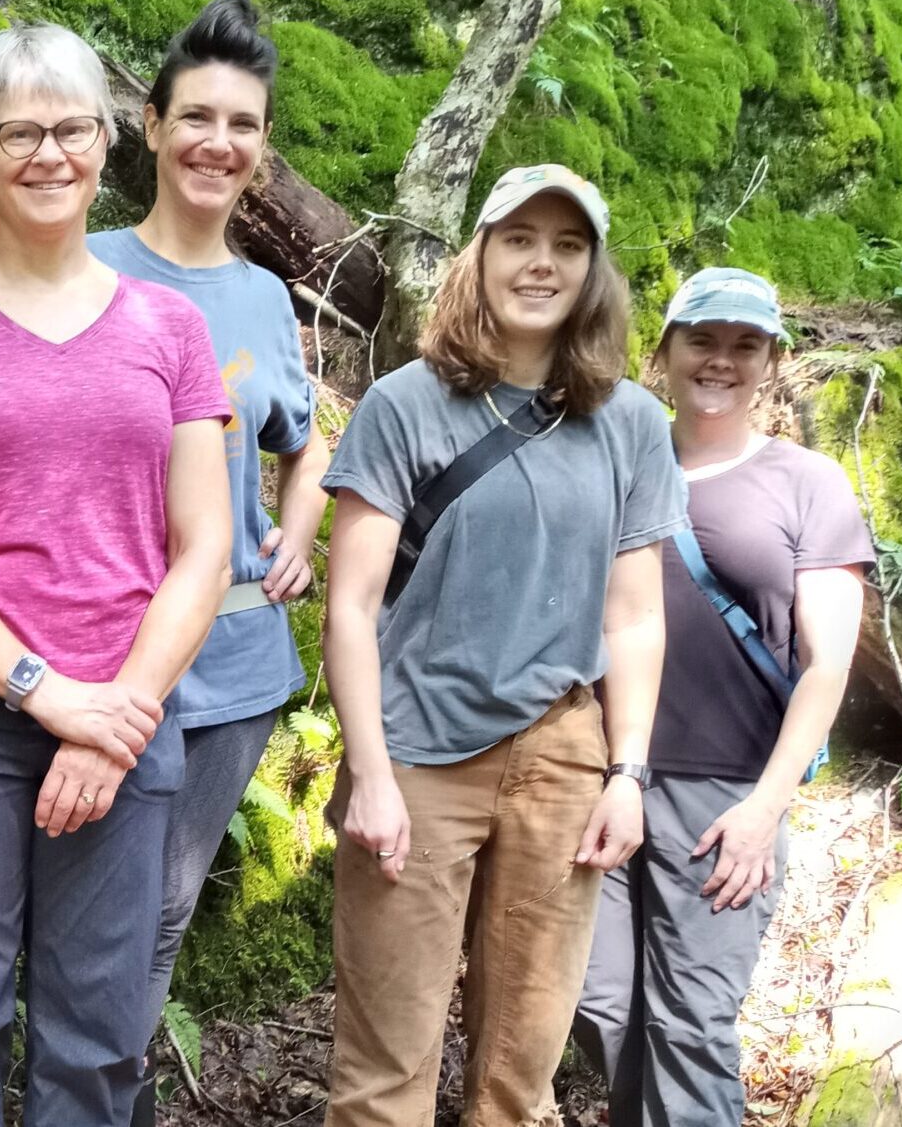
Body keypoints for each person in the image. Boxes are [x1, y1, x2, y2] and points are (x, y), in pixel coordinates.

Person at [0, 21, 234, 1126]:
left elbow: (204, 546)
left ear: (110, 142)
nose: (47, 153)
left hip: (127, 711)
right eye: (18, 130)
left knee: (101, 1029)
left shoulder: (172, 328)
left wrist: (116, 713)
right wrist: (45, 692)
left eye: (71, 127)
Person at [319, 164, 689, 1125]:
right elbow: (351, 606)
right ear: (478, 253)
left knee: (518, 1075)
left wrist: (629, 771)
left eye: (568, 245)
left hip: (564, 760)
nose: (542, 263)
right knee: (383, 1071)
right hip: (416, 750)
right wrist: (370, 773)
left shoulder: (636, 425)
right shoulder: (403, 403)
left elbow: (633, 615)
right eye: (519, 238)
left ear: (594, 270)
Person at [85, 0, 331, 1119]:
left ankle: (113, 1092)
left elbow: (306, 428)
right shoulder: (82, 266)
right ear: (148, 124)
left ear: (262, 148)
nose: (217, 142)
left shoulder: (266, 297)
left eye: (242, 124)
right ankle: (80, 1085)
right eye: (196, 116)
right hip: (97, 649)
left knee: (168, 907)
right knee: (94, 906)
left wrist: (303, 517)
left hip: (232, 660)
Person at [573, 268, 872, 1125]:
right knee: (601, 1009)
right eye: (703, 339)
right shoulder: (613, 455)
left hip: (727, 792)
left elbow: (827, 664)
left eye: (746, 345)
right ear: (662, 348)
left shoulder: (806, 483)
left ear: (771, 361)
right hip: (598, 772)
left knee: (692, 1024)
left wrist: (763, 811)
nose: (721, 361)